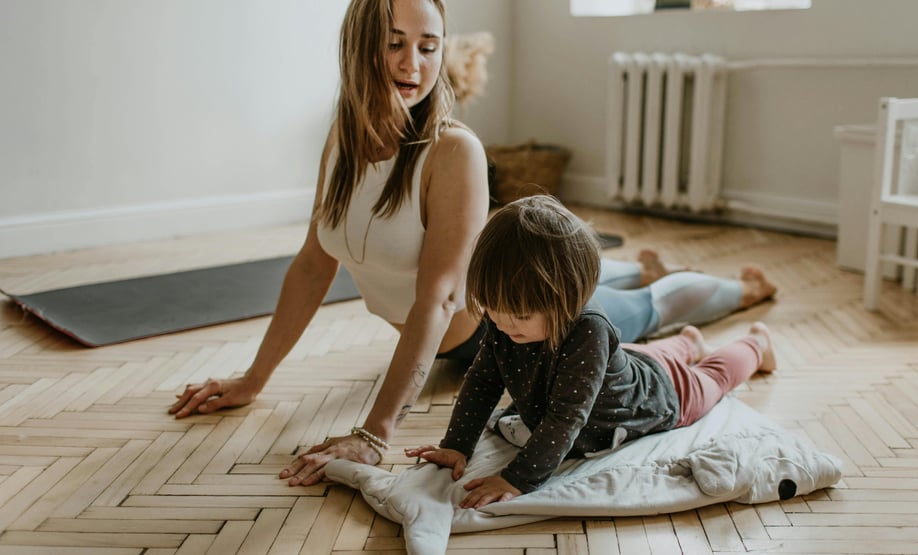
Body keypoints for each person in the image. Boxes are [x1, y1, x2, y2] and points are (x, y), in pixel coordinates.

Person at [167, 0, 776, 486]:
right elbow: (310, 266)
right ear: (358, 45)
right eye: (395, 42)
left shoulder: (452, 150)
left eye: (428, 47)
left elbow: (436, 301)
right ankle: (631, 269)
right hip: (499, 303)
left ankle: (739, 290)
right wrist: (253, 380)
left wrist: (377, 433)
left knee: (648, 311)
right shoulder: (341, 142)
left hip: (505, 327)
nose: (413, 64)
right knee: (598, 279)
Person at [405, 195, 776, 508]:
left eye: (519, 315)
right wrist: (456, 445)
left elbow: (566, 418)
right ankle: (689, 341)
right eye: (493, 310)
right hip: (627, 363)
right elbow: (483, 381)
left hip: (661, 394)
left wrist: (516, 478)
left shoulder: (589, 331)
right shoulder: (506, 322)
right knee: (646, 356)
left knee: (713, 377)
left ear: (567, 299)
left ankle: (756, 344)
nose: (502, 324)